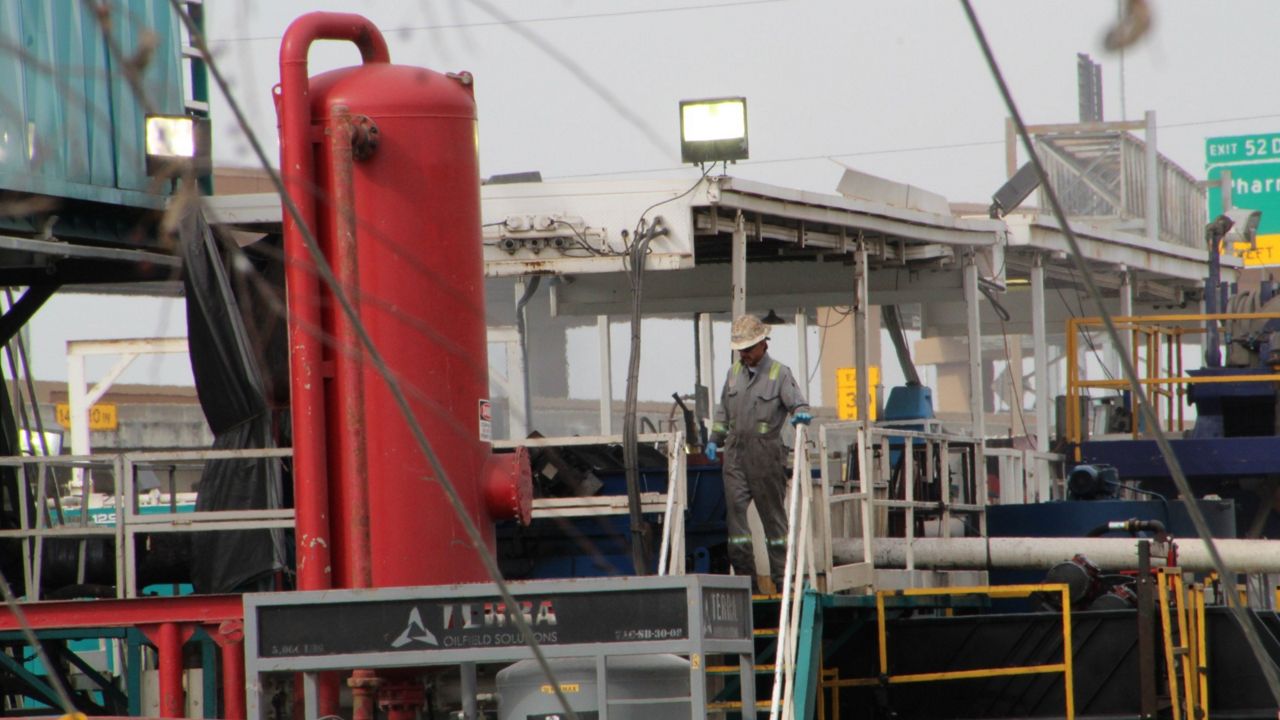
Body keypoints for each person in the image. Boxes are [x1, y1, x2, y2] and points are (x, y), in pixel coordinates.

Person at [705, 315, 811, 591]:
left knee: (774, 522)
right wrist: (714, 439)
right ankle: (746, 584)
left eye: (749, 349)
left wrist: (801, 415)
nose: (744, 354)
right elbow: (722, 412)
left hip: (767, 455)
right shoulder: (733, 374)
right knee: (736, 521)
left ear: (763, 344)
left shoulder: (780, 373)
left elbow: (798, 404)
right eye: (741, 349)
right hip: (736, 455)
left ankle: (783, 582)